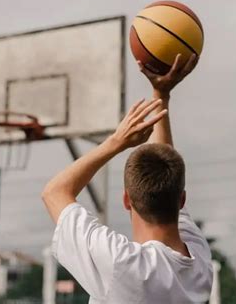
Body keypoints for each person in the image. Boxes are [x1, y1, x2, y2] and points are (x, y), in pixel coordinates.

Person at [42, 54, 213, 304]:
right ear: (181, 200)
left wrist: (116, 141)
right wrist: (161, 94)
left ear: (126, 200)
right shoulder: (199, 260)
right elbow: (166, 164)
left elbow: (54, 192)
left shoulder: (122, 264)